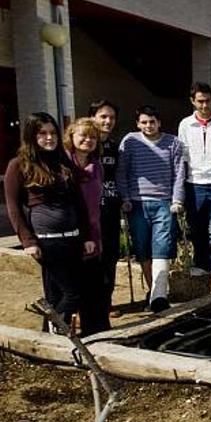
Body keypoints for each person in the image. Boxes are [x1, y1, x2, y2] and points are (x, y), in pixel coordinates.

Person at [4, 113, 95, 329]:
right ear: (31, 136)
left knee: (56, 295)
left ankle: (50, 337)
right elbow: (13, 207)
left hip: (72, 239)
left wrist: (86, 236)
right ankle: (58, 331)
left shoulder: (62, 162)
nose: (49, 138)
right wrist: (28, 241)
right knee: (72, 294)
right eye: (42, 133)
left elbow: (79, 203)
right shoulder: (18, 165)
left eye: (52, 133)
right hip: (47, 242)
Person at [117, 105, 186, 312]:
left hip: (164, 203)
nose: (149, 126)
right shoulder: (130, 141)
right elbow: (122, 172)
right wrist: (125, 197)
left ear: (159, 122)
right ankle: (153, 291)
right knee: (143, 249)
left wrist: (178, 199)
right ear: (138, 124)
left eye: (152, 121)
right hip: (137, 203)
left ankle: (159, 296)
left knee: (161, 247)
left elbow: (179, 173)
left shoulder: (173, 143)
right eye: (144, 122)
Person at [63, 118, 107, 334]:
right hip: (69, 232)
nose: (88, 140)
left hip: (93, 231)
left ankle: (95, 330)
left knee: (93, 286)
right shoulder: (63, 164)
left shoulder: (97, 166)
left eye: (92, 137)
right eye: (83, 135)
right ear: (71, 137)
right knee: (70, 288)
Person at [178, 82, 211, 278]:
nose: (205, 105)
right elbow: (182, 155)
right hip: (194, 182)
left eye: (208, 101)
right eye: (200, 101)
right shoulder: (185, 124)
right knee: (197, 226)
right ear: (192, 101)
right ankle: (201, 263)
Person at [89, 100, 121, 317]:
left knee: (110, 257)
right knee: (91, 259)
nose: (108, 121)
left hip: (110, 209)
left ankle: (106, 302)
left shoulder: (114, 146)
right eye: (103, 117)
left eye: (111, 117)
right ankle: (87, 304)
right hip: (89, 214)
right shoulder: (84, 144)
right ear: (93, 118)